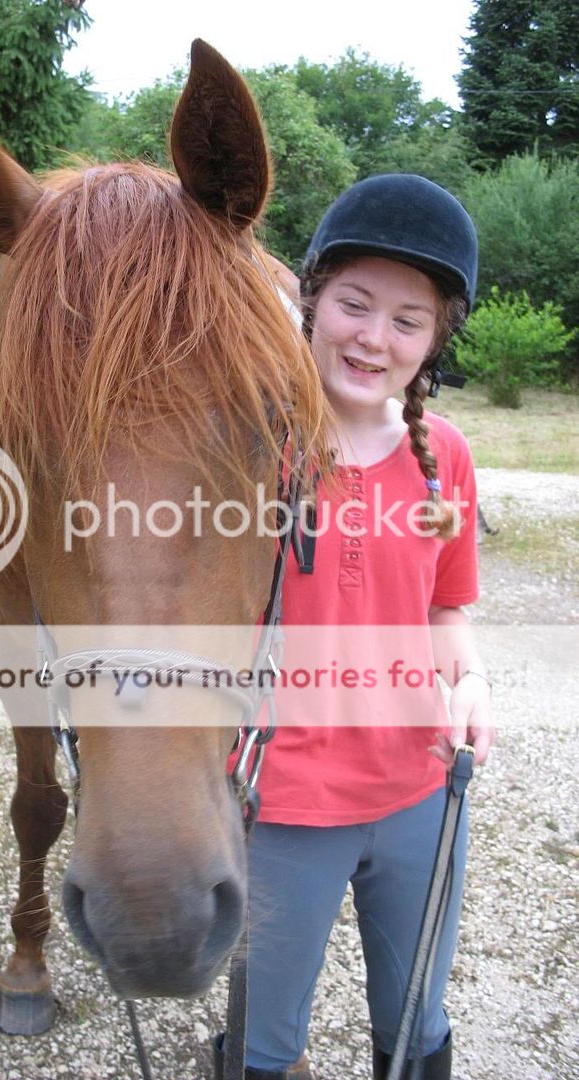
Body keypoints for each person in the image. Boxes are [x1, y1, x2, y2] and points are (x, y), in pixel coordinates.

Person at [216, 174, 494, 1080]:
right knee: (264, 1042)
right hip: (284, 803)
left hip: (418, 789)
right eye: (355, 304)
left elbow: (446, 604)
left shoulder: (444, 457)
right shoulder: (248, 445)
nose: (375, 337)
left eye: (408, 321)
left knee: (415, 1021)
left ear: (434, 343)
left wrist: (471, 681)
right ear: (312, 301)